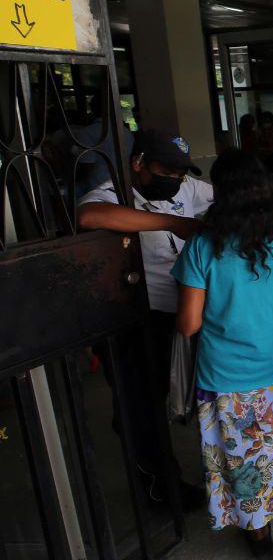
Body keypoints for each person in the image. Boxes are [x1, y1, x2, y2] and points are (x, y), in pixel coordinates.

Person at [172, 149, 273, 560]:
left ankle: (257, 532)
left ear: (221, 193)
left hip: (226, 379)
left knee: (244, 459)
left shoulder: (202, 247)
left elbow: (187, 325)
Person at [78, 129, 212, 506]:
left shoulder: (188, 188)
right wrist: (172, 223)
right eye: (165, 169)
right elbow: (89, 216)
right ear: (138, 164)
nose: (174, 178)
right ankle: (160, 486)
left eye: (180, 171)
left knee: (197, 395)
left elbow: (224, 200)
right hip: (140, 317)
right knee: (141, 406)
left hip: (188, 313)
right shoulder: (113, 192)